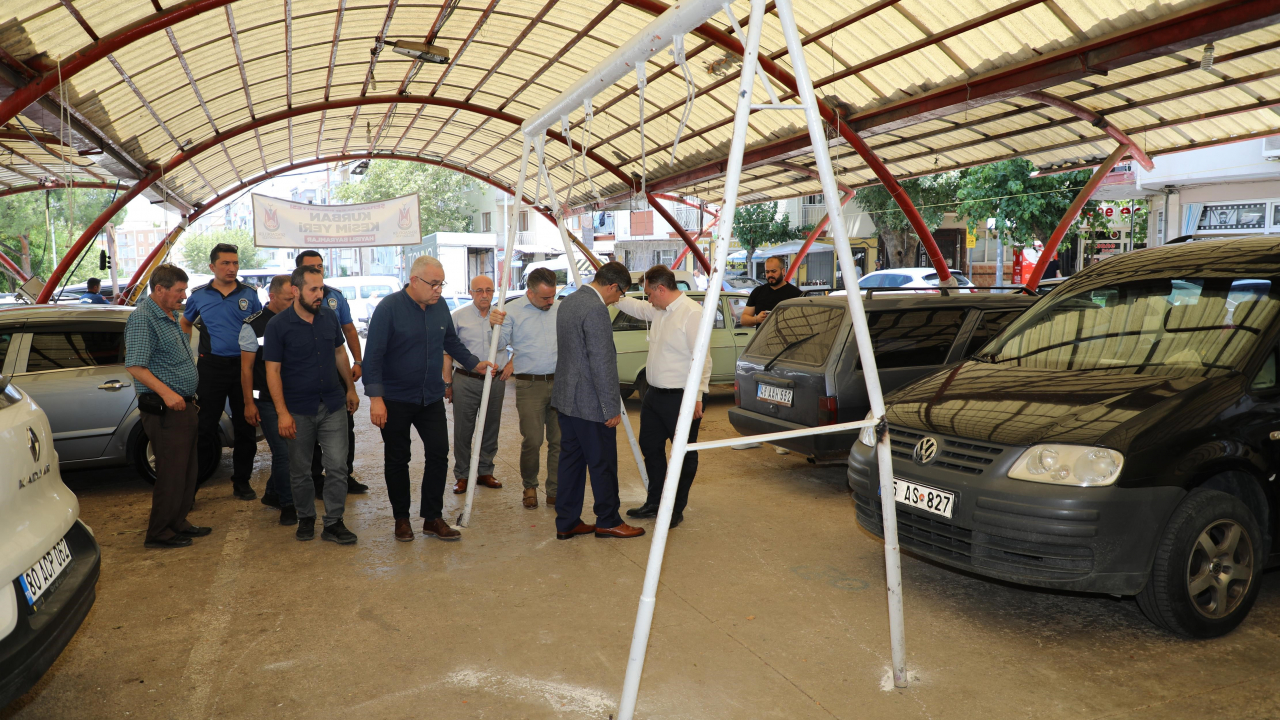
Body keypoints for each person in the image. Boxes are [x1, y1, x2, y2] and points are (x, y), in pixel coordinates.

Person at [363, 256, 494, 542]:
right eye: (433, 284)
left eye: (441, 284)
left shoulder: (440, 307)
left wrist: (473, 363)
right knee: (398, 458)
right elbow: (372, 356)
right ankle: (401, 519)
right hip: (395, 399)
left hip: (430, 396)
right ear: (414, 281)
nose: (438, 290)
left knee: (438, 453)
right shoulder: (389, 309)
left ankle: (432, 518)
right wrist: (376, 398)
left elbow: (450, 341)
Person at [264, 265, 360, 544]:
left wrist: (351, 389)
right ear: (296, 291)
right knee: (301, 469)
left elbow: (339, 352)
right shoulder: (278, 326)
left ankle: (333, 522)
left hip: (332, 405)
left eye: (321, 288)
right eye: (313, 290)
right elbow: (272, 371)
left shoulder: (329, 317)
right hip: (297, 409)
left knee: (338, 467)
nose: (320, 295)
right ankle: (306, 517)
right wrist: (282, 413)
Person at [550, 261, 645, 541]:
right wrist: (610, 407)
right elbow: (602, 363)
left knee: (570, 463)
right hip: (590, 403)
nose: (619, 299)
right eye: (621, 294)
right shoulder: (596, 309)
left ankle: (566, 521)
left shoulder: (568, 302)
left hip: (566, 399)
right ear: (612, 286)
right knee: (603, 463)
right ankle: (608, 520)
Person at [614, 265, 711, 529]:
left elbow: (702, 359)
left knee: (683, 455)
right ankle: (655, 502)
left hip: (681, 398)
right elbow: (633, 306)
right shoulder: (658, 310)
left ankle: (674, 509)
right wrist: (610, 294)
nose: (647, 299)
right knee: (651, 449)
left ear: (661, 289)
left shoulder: (692, 313)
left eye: (649, 293)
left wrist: (698, 396)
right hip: (654, 396)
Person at [124, 265, 211, 549]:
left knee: (187, 469)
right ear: (159, 289)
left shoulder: (170, 316)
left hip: (184, 407)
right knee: (172, 472)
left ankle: (178, 521)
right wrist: (167, 394)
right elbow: (136, 365)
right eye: (179, 290)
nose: (184, 296)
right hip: (166, 410)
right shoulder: (143, 319)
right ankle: (159, 531)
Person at [181, 243, 261, 501]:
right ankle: (192, 488)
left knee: (246, 426)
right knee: (204, 429)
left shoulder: (249, 293)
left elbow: (260, 328)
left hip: (244, 368)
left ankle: (241, 481)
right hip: (211, 367)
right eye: (225, 263)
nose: (232, 268)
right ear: (212, 266)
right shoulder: (199, 295)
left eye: (235, 263)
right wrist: (186, 354)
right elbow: (185, 322)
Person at [295, 250, 368, 495]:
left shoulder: (334, 297)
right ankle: (315, 479)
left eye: (320, 266)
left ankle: (345, 475)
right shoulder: (292, 295)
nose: (318, 271)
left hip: (335, 371)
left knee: (344, 426)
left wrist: (357, 361)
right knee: (310, 428)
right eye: (311, 267)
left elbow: (349, 330)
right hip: (304, 375)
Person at [494, 267, 561, 509]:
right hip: (529, 385)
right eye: (545, 297)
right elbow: (500, 345)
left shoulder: (559, 309)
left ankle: (554, 489)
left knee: (560, 441)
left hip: (560, 383)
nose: (550, 301)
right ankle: (530, 486)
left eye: (553, 295)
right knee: (533, 440)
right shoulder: (510, 312)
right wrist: (495, 325)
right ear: (530, 293)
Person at [239, 274, 298, 526]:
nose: (293, 301)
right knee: (284, 452)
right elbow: (246, 369)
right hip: (267, 400)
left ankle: (273, 492)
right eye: (287, 298)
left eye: (295, 296)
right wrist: (249, 403)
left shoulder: (300, 318)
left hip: (296, 396)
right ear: (272, 297)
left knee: (292, 451)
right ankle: (288, 504)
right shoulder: (253, 325)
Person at [445, 275, 506, 495]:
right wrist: (448, 383)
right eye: (479, 290)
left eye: (488, 290)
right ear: (470, 292)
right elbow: (447, 353)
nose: (484, 295)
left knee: (491, 427)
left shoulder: (501, 317)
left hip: (495, 380)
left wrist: (511, 366)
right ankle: (462, 475)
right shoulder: (458, 317)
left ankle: (485, 471)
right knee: (463, 429)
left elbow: (518, 342)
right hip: (466, 380)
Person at [739, 256, 801, 327]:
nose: (770, 275)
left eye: (773, 271)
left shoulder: (796, 294)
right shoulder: (758, 292)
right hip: (763, 337)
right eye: (767, 272)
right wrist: (757, 319)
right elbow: (743, 320)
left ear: (783, 271)